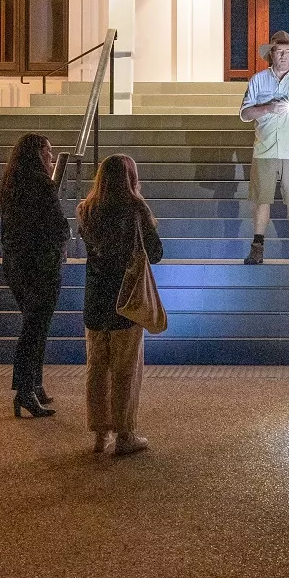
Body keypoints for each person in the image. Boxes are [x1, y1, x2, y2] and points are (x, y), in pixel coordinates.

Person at [76, 154, 164, 457]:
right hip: (126, 301)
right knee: (125, 369)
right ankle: (124, 434)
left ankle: (99, 434)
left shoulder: (86, 210)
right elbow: (156, 253)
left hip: (94, 301)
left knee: (96, 368)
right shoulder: (136, 209)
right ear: (131, 178)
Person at [0, 132, 70, 419]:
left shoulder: (11, 184)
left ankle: (34, 385)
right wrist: (64, 239)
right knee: (35, 329)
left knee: (33, 324)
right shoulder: (42, 184)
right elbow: (57, 224)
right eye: (47, 152)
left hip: (16, 263)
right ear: (36, 155)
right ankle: (26, 390)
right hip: (41, 264)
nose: (51, 157)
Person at [238, 30, 289, 265]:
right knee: (261, 199)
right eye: (279, 51)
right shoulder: (257, 80)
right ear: (271, 54)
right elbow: (244, 113)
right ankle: (257, 246)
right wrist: (267, 108)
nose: (284, 56)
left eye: (288, 52)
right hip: (265, 148)